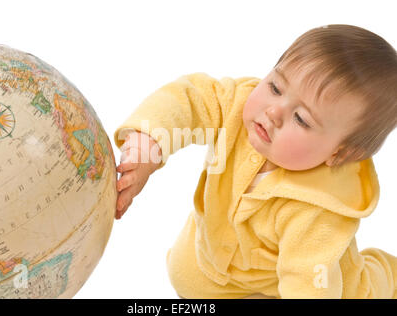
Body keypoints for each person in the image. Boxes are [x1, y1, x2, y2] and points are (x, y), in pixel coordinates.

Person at [112, 24, 397, 299]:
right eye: (275, 87)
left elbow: (311, 285)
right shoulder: (236, 106)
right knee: (186, 276)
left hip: (316, 274)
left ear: (341, 153)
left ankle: (388, 275)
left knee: (356, 290)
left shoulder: (320, 210)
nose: (273, 112)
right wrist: (147, 144)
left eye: (301, 118)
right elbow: (188, 100)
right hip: (226, 262)